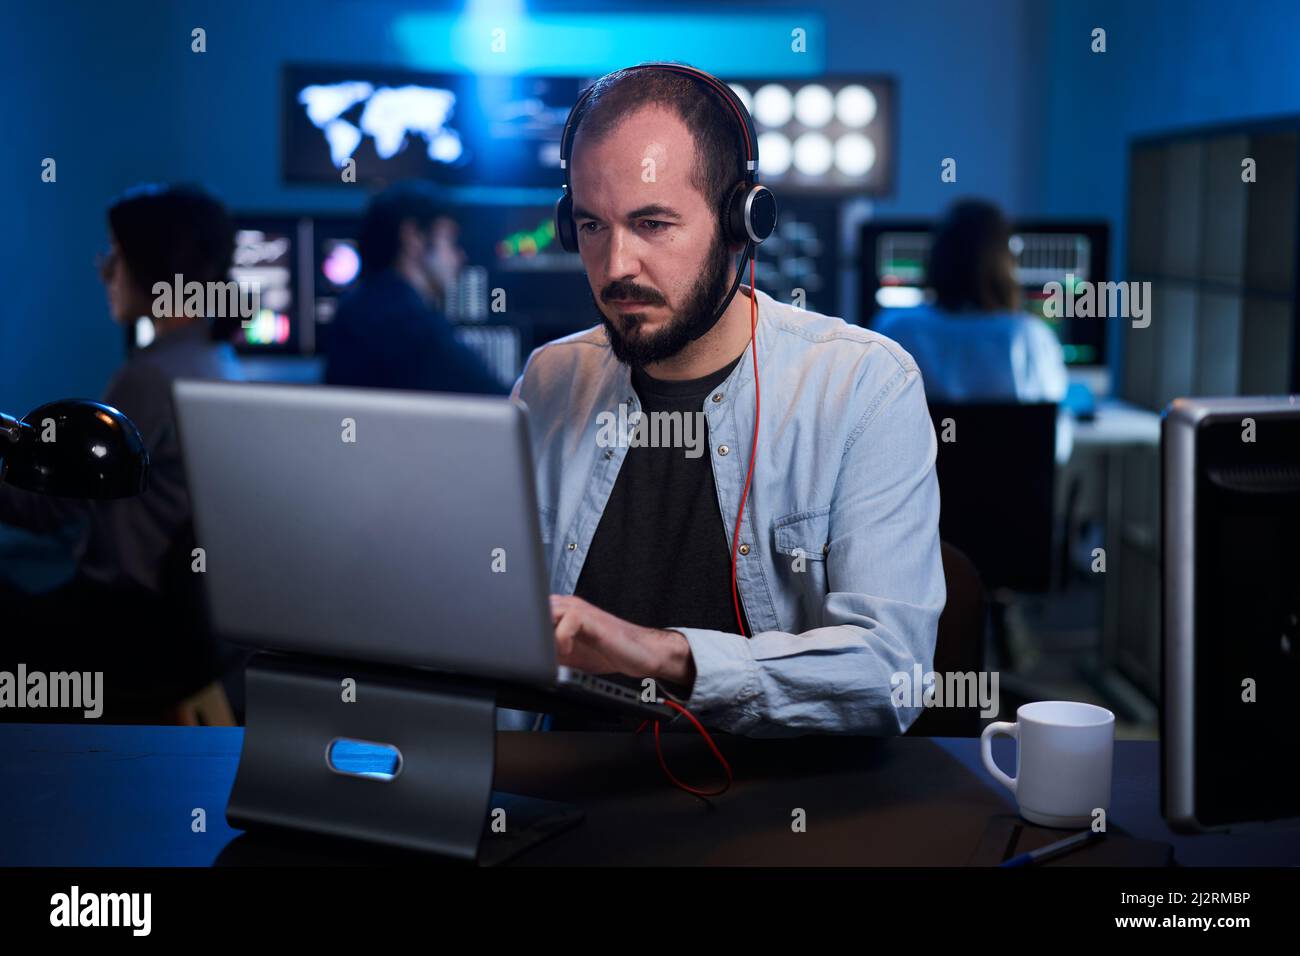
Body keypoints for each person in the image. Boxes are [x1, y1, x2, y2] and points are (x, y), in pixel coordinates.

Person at [513, 64, 946, 737]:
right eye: (592, 226)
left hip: (773, 805)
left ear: (744, 221)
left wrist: (663, 655)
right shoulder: (549, 380)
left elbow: (894, 674)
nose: (617, 265)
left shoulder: (862, 385)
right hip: (561, 796)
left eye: (652, 223)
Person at [0, 183, 245, 723]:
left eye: (114, 253)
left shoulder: (148, 379)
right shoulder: (215, 361)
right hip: (177, 632)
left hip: (123, 630)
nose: (104, 270)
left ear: (153, 266)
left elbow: (51, 508)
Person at [872, 199, 1073, 464]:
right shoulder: (1029, 336)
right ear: (1006, 265)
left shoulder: (895, 329)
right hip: (1011, 503)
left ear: (935, 258)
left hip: (919, 503)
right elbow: (1055, 446)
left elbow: (874, 438)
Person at [323, 181, 506, 395]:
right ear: (413, 237)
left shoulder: (351, 311)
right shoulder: (415, 327)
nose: (460, 257)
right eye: (450, 241)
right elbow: (503, 407)